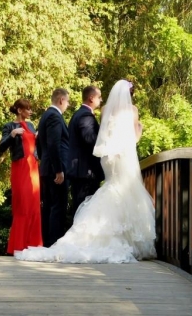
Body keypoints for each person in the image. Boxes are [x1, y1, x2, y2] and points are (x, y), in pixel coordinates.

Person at [15, 79, 157, 263]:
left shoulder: (104, 110)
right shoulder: (132, 111)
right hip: (118, 159)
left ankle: (72, 238)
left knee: (111, 191)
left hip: (108, 160)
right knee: (124, 192)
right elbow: (130, 140)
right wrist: (139, 131)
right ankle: (125, 239)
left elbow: (102, 137)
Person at [0, 99, 42, 255]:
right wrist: (12, 134)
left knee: (34, 207)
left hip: (34, 168)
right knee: (22, 205)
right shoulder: (9, 126)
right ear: (19, 110)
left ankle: (33, 246)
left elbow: (36, 147)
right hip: (20, 167)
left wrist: (38, 138)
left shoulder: (31, 125)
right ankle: (18, 246)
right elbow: (1, 147)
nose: (30, 112)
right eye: (27, 109)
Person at [36, 88, 70, 247]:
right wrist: (58, 169)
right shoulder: (55, 117)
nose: (68, 105)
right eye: (68, 102)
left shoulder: (45, 116)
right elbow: (53, 144)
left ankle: (48, 243)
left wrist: (45, 162)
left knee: (49, 206)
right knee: (58, 207)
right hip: (55, 171)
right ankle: (53, 243)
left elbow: (40, 144)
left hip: (46, 168)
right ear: (61, 100)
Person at [67, 85, 105, 218]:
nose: (101, 100)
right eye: (99, 97)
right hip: (85, 172)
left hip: (80, 171)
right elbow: (90, 140)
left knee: (80, 209)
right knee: (84, 210)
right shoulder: (85, 116)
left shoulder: (78, 114)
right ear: (91, 98)